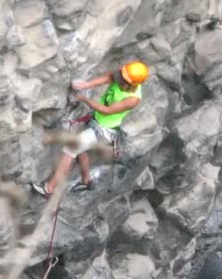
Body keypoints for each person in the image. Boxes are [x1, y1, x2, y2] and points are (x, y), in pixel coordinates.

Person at [31, 61, 149, 196]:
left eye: (122, 78)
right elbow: (107, 78)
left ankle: (49, 189)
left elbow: (106, 110)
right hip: (96, 120)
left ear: (130, 83)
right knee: (81, 151)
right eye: (121, 75)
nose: (119, 78)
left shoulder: (133, 99)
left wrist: (83, 98)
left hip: (104, 130)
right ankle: (86, 181)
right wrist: (85, 85)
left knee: (71, 149)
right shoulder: (122, 75)